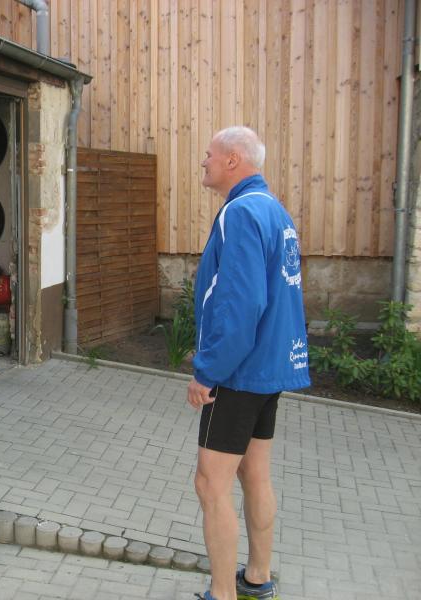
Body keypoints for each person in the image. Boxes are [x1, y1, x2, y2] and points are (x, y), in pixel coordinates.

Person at [187, 127, 310, 600]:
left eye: (209, 155)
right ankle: (257, 579)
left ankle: (222, 594)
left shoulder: (239, 213)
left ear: (233, 160)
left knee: (210, 483)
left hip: (238, 373)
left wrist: (208, 371)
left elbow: (241, 304)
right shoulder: (274, 210)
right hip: (268, 369)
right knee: (254, 474)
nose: (204, 162)